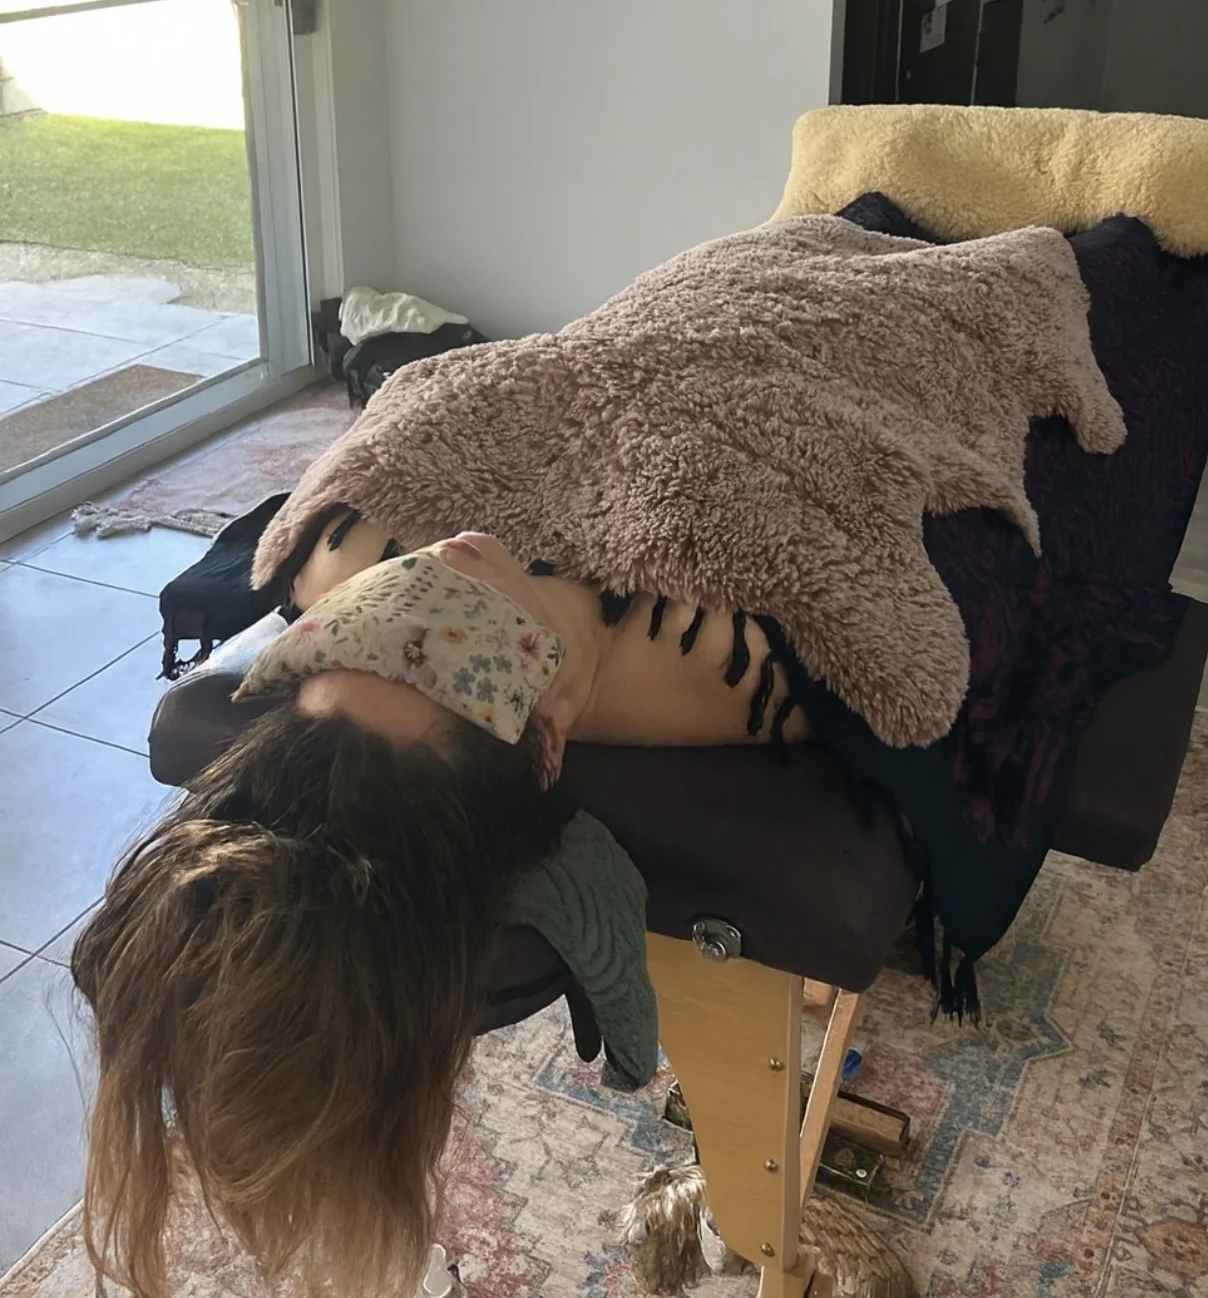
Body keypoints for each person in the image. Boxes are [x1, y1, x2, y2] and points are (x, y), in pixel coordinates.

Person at [71, 525, 811, 1298]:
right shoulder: (719, 665)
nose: (429, 570)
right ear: (545, 743)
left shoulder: (345, 561)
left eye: (351, 643)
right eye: (451, 663)